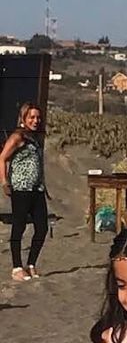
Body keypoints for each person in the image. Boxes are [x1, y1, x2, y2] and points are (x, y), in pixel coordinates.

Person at [0, 102, 48, 282]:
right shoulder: (18, 136)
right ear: (23, 118)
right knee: (18, 227)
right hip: (21, 189)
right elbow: (2, 158)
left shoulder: (34, 137)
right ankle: (16, 267)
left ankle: (31, 264)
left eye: (37, 117)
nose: (35, 120)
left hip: (37, 189)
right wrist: (4, 181)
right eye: (31, 117)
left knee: (42, 228)